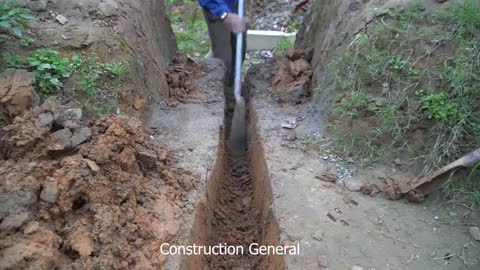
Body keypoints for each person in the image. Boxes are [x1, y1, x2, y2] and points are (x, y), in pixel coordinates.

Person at [198, 0, 249, 112]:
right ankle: (226, 99)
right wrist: (224, 13)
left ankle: (232, 87)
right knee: (224, 59)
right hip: (215, 6)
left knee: (239, 52)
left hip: (235, 3)